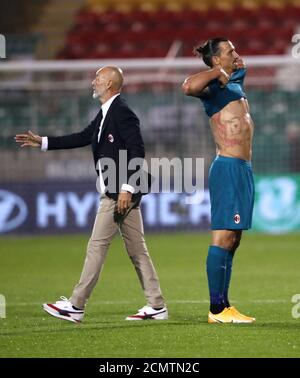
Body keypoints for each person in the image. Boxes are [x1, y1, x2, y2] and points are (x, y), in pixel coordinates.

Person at [15, 66, 167, 323]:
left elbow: (137, 152)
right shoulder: (106, 113)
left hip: (118, 193)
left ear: (109, 84)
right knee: (137, 250)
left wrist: (126, 189)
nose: (93, 81)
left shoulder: (122, 112)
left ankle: (76, 304)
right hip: (120, 192)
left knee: (97, 246)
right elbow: (84, 136)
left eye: (98, 78)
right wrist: (44, 142)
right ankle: (157, 305)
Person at [182, 38, 256, 323]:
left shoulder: (233, 84)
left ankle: (224, 305)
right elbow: (187, 86)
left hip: (243, 169)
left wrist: (237, 67)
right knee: (223, 237)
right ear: (215, 60)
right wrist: (216, 72)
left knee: (234, 238)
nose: (236, 54)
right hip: (227, 167)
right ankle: (216, 309)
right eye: (229, 51)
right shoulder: (213, 87)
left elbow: (236, 73)